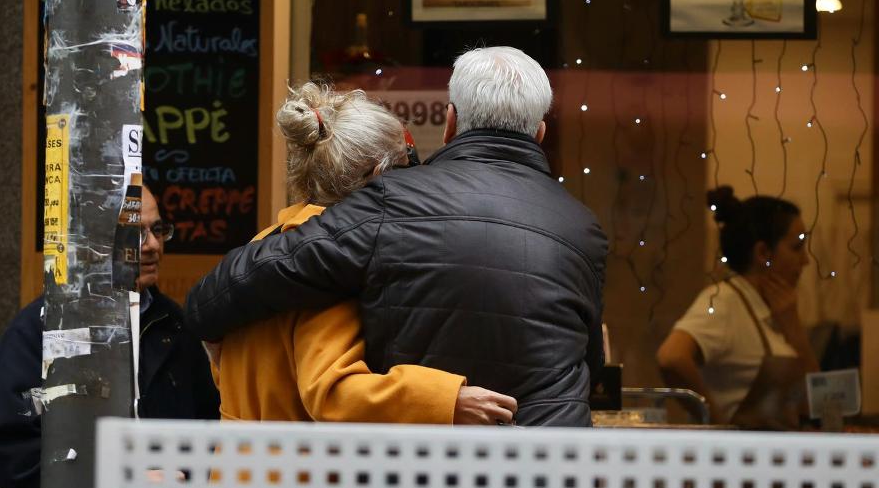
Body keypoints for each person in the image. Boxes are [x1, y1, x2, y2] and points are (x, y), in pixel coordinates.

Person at [187, 46, 608, 426]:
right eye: (408, 159)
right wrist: (448, 399)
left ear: (450, 122)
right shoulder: (584, 226)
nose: (415, 168)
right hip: (552, 471)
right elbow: (589, 366)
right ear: (539, 133)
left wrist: (202, 312)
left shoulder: (293, 240)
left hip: (373, 480)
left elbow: (235, 296)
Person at [210, 82, 518, 425]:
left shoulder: (264, 243)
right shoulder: (330, 260)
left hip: (235, 469)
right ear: (379, 177)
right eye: (409, 164)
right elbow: (331, 392)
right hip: (296, 474)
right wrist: (449, 400)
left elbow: (223, 368)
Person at [0, 186, 218, 488]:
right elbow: (10, 453)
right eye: (136, 233)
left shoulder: (177, 330)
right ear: (93, 240)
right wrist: (124, 479)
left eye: (159, 230)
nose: (153, 245)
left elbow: (211, 438)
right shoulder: (39, 331)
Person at [656, 186, 819, 429]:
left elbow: (817, 399)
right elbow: (671, 358)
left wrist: (792, 326)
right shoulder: (724, 301)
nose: (805, 260)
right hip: (738, 461)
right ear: (763, 252)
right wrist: (720, 427)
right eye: (796, 247)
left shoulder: (774, 309)